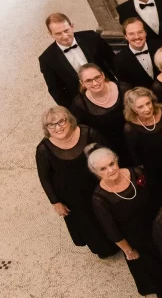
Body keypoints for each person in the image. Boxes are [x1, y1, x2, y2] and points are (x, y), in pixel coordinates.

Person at [88, 145, 162, 298]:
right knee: (153, 264)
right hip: (136, 236)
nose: (110, 170)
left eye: (111, 164)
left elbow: (156, 194)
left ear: (117, 161)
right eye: (103, 169)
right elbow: (111, 229)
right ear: (96, 173)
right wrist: (128, 250)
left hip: (156, 223)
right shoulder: (100, 199)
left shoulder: (137, 173)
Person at [36, 107, 118, 257]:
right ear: (46, 128)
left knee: (108, 214)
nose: (58, 127)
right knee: (88, 223)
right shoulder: (43, 149)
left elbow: (108, 154)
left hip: (97, 185)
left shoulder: (89, 133)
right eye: (51, 125)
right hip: (71, 196)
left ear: (69, 120)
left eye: (61, 121)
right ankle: (104, 249)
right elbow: (45, 177)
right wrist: (55, 202)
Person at [39, 13, 116, 108]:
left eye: (66, 30)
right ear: (50, 34)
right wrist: (73, 112)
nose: (65, 36)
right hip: (84, 104)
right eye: (58, 33)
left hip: (110, 89)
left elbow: (113, 62)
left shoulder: (92, 37)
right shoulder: (47, 59)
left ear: (72, 26)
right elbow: (55, 90)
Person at [70, 64, 130, 160]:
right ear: (82, 83)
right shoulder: (79, 104)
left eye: (97, 77)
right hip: (109, 151)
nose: (94, 83)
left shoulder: (124, 88)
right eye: (88, 81)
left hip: (134, 141)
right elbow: (84, 132)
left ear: (103, 75)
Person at [122, 86, 162, 187]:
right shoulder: (130, 129)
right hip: (154, 169)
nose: (147, 109)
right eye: (140, 107)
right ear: (133, 109)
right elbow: (134, 154)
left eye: (148, 103)